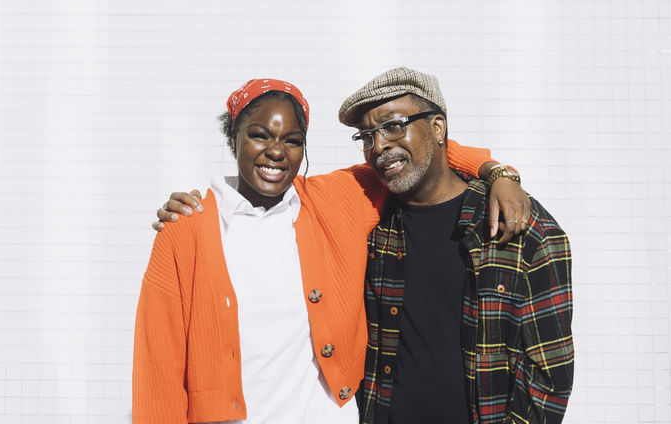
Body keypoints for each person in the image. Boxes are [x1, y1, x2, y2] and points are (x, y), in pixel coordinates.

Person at [134, 76, 531, 424]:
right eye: (259, 134)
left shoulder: (334, 201)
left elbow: (420, 150)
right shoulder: (185, 229)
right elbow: (157, 371)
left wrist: (495, 171)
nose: (276, 151)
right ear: (232, 137)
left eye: (292, 140)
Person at [338, 66, 574, 424]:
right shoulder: (373, 224)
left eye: (393, 125)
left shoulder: (520, 225)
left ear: (437, 127)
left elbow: (549, 376)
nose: (379, 145)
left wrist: (499, 175)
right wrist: (496, 169)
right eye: (367, 135)